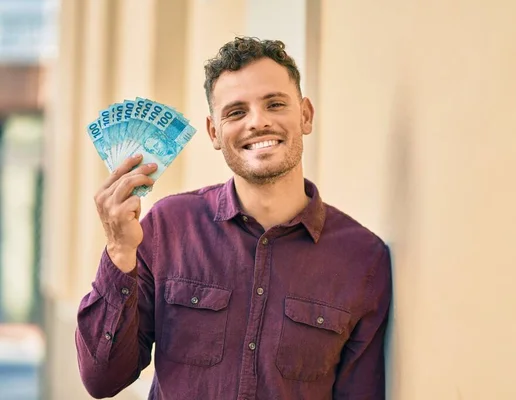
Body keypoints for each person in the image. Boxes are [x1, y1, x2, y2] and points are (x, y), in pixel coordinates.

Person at [75, 36, 392, 400]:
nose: (258, 123)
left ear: (305, 115)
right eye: (236, 112)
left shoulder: (363, 259)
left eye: (275, 104)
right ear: (214, 132)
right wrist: (119, 251)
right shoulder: (168, 227)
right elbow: (101, 379)